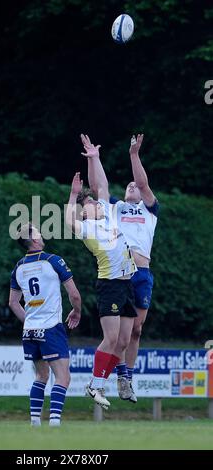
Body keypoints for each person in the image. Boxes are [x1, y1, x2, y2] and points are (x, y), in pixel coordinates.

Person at [82, 133, 159, 403]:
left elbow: (142, 182)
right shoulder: (115, 208)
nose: (132, 186)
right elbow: (97, 187)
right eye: (128, 186)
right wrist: (94, 159)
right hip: (121, 274)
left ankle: (125, 376)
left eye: (135, 187)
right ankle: (119, 375)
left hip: (143, 274)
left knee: (136, 331)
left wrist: (134, 155)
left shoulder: (150, 210)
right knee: (120, 336)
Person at [65, 168, 137, 410]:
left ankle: (99, 383)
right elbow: (67, 221)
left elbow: (103, 186)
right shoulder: (88, 228)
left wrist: (95, 158)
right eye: (90, 203)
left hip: (126, 283)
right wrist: (73, 194)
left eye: (94, 201)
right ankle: (94, 386)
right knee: (111, 338)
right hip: (110, 285)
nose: (96, 203)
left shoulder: (107, 215)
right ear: (84, 212)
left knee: (124, 341)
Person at [9, 223, 81, 426]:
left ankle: (34, 422)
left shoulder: (19, 267)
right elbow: (74, 294)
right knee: (63, 377)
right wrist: (76, 311)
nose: (41, 233)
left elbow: (13, 303)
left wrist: (30, 322)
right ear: (33, 239)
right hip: (51, 327)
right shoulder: (53, 260)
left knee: (41, 375)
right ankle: (55, 422)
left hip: (30, 330)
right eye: (37, 231)